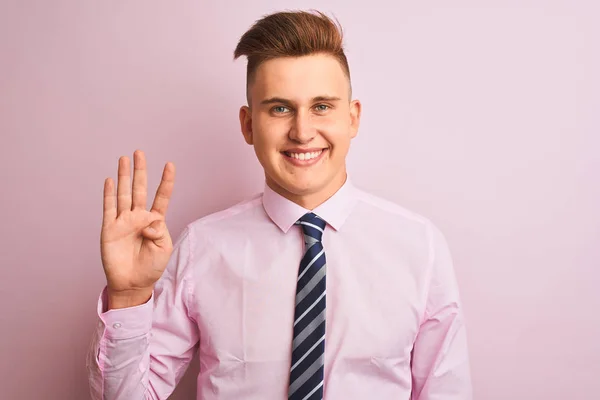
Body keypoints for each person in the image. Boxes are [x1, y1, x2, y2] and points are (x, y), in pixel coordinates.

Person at [86, 10, 472, 400]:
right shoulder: (201, 247)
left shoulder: (419, 247)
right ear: (248, 125)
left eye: (322, 106)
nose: (302, 132)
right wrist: (128, 297)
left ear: (352, 118)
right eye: (280, 108)